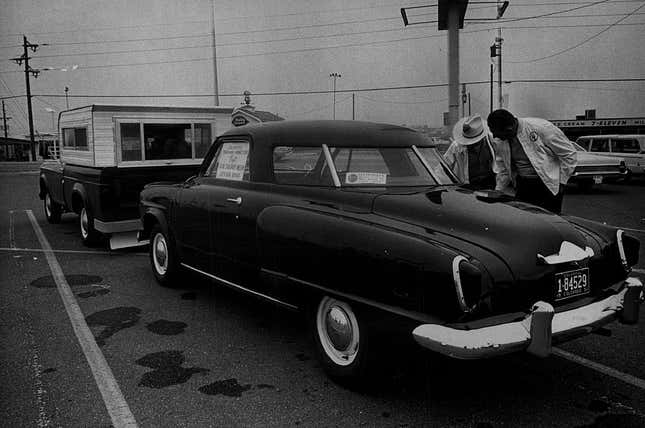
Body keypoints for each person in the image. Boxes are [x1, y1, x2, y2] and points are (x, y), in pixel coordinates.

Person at [487, 109, 577, 214]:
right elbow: (504, 167)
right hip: (523, 184)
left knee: (548, 223)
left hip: (547, 185)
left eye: (498, 134)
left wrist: (562, 182)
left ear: (509, 129)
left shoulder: (541, 128)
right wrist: (498, 190)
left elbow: (569, 154)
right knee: (525, 221)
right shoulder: (500, 140)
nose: (495, 137)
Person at [443, 114, 496, 190]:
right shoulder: (457, 146)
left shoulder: (493, 141)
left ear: (482, 137)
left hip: (490, 184)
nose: (473, 144)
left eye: (475, 142)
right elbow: (444, 166)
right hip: (469, 186)